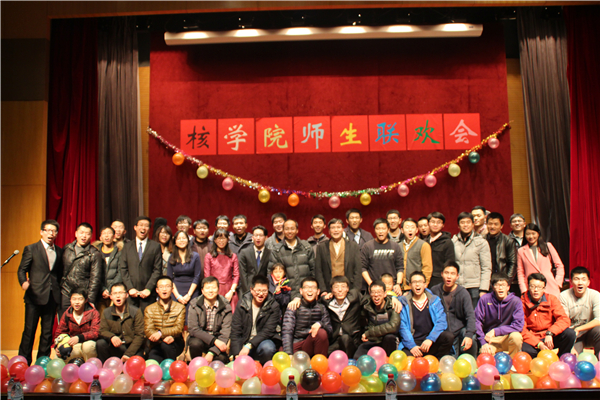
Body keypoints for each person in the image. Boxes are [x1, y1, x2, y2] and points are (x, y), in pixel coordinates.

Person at [17, 219, 64, 365]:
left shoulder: (59, 251)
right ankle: (23, 362)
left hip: (52, 296)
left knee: (47, 332)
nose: (51, 233)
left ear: (56, 234)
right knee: (29, 330)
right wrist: (24, 282)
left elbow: (58, 273)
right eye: (48, 230)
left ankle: (42, 363)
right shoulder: (31, 249)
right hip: (34, 296)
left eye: (54, 231)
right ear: (41, 232)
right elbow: (22, 270)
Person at [399, 272, 454, 359]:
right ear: (410, 285)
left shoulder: (434, 300)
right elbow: (402, 327)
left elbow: (442, 322)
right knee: (406, 359)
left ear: (425, 284)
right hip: (414, 342)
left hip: (430, 341)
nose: (417, 284)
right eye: (414, 282)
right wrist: (412, 346)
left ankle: (438, 362)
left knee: (448, 337)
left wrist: (430, 339)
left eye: (420, 282)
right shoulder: (404, 302)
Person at [521, 273, 575, 359]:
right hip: (533, 337)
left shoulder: (551, 299)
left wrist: (550, 332)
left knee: (570, 334)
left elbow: (564, 319)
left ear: (544, 288)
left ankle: (561, 358)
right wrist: (538, 344)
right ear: (528, 287)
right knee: (526, 350)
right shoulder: (521, 302)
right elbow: (521, 328)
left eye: (539, 287)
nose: (536, 290)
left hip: (550, 336)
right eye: (533, 286)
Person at [230, 275, 281, 364]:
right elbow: (235, 330)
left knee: (268, 348)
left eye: (264, 291)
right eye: (258, 290)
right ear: (251, 289)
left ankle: (264, 368)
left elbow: (268, 331)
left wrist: (249, 345)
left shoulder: (273, 306)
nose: (261, 294)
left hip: (261, 342)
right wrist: (237, 353)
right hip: (244, 341)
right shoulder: (242, 304)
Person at [430, 261, 477, 357]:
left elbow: (470, 316)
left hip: (459, 332)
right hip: (442, 334)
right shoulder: (434, 291)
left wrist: (469, 335)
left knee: (472, 336)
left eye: (452, 274)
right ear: (442, 274)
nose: (449, 277)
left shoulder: (463, 293)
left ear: (457, 276)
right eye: (446, 273)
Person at [120, 216, 163, 312]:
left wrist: (148, 288)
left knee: (148, 319)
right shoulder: (127, 247)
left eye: (146, 226)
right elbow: (123, 269)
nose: (143, 228)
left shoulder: (155, 246)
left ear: (149, 229)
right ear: (135, 227)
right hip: (131, 293)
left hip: (148, 294)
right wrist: (130, 288)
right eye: (141, 225)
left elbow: (157, 270)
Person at [270, 220, 316, 310]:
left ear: (297, 230)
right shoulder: (277, 250)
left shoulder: (306, 247)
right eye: (287, 229)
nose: (289, 231)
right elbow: (272, 275)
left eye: (292, 229)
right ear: (283, 231)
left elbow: (313, 270)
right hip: (285, 297)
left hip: (307, 295)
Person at [475, 272, 524, 357]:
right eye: (497, 285)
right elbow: (476, 321)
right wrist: (483, 342)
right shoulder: (485, 299)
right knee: (485, 357)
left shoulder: (516, 301)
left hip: (507, 338)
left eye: (503, 285)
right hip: (490, 340)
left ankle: (513, 361)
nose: (500, 288)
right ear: (493, 287)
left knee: (517, 337)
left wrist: (495, 331)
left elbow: (518, 326)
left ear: (508, 287)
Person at [282, 277, 332, 357]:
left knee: (321, 333)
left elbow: (329, 330)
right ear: (301, 291)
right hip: (296, 344)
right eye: (306, 287)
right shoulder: (294, 306)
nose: (310, 290)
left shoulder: (322, 308)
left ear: (318, 291)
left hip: (311, 344)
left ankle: (320, 362)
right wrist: (289, 353)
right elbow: (287, 331)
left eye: (313, 287)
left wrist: (320, 324)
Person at [61, 222, 103, 314]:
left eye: (87, 234)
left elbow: (95, 279)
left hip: (83, 295)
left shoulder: (94, 254)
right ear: (76, 233)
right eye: (81, 232)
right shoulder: (67, 249)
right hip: (66, 292)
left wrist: (90, 300)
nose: (84, 236)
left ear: (91, 236)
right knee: (65, 320)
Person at [187, 276, 232, 363]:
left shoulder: (226, 306)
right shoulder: (194, 304)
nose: (210, 291)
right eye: (207, 288)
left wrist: (212, 352)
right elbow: (193, 329)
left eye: (214, 288)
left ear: (218, 289)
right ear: (202, 290)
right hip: (201, 339)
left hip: (218, 340)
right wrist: (214, 341)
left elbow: (225, 333)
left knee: (221, 359)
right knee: (195, 344)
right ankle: (196, 365)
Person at [452, 212, 492, 309]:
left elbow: (486, 268)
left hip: (475, 287)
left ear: (473, 224)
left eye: (468, 222)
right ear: (458, 225)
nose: (465, 225)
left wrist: (483, 289)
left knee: (474, 315)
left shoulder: (481, 242)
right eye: (462, 222)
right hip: (457, 286)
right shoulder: (453, 242)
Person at [97, 282, 145, 362]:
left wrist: (128, 354)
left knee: (137, 360)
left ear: (126, 295)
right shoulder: (106, 312)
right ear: (111, 296)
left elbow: (140, 335)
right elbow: (102, 330)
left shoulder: (136, 311)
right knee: (100, 343)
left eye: (120, 293)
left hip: (131, 347)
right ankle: (105, 367)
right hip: (116, 347)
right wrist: (112, 337)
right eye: (115, 293)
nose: (118, 296)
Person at [315, 218, 362, 296]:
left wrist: (355, 291)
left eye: (338, 227)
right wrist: (323, 290)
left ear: (343, 229)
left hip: (349, 290)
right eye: (333, 228)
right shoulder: (321, 247)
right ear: (329, 231)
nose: (336, 230)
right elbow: (318, 270)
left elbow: (358, 270)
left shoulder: (353, 246)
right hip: (328, 291)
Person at [144, 276, 186, 363]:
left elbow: (179, 328)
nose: (164, 289)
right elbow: (148, 330)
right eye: (161, 287)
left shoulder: (180, 308)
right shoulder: (149, 309)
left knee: (166, 346)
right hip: (156, 344)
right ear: (157, 290)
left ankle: (173, 367)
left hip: (174, 343)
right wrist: (160, 337)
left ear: (172, 289)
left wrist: (161, 333)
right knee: (153, 363)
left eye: (167, 286)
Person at [560, 266, 600, 355]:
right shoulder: (564, 296)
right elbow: (563, 322)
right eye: (576, 279)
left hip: (590, 332)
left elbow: (599, 320)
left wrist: (579, 328)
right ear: (571, 282)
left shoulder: (595, 295)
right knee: (574, 358)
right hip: (573, 335)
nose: (580, 282)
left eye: (583, 279)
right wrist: (570, 344)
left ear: (588, 282)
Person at [355, 280, 401, 358]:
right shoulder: (366, 305)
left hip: (387, 341)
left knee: (389, 338)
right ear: (370, 294)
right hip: (372, 340)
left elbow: (393, 326)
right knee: (358, 357)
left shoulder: (392, 305)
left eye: (379, 292)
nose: (376, 295)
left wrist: (369, 333)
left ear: (385, 294)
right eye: (373, 292)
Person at [517, 223, 564, 298]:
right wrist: (523, 290)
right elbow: (520, 272)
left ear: (538, 233)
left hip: (550, 285)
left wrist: (557, 283)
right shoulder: (521, 251)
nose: (531, 236)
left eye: (533, 233)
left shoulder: (548, 246)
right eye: (528, 234)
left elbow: (559, 265)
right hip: (531, 288)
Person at [55, 287, 100, 362]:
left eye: (80, 299)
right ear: (70, 300)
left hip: (89, 344)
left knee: (88, 346)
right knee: (57, 358)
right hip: (73, 346)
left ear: (85, 300)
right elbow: (59, 333)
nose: (77, 302)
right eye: (74, 299)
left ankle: (89, 366)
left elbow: (96, 332)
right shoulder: (67, 314)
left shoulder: (93, 313)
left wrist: (79, 337)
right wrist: (58, 346)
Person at [321, 276, 362, 357]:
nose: (340, 290)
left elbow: (368, 301)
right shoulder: (326, 302)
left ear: (348, 289)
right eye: (336, 287)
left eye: (343, 286)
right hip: (334, 340)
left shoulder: (355, 297)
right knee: (326, 357)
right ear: (331, 290)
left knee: (345, 338)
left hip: (351, 339)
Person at [361, 218, 403, 294]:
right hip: (374, 288)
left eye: (383, 229)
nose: (381, 231)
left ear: (388, 230)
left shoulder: (395, 246)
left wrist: (398, 284)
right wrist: (371, 284)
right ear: (374, 230)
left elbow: (400, 267)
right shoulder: (367, 246)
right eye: (378, 229)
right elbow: (363, 268)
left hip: (391, 288)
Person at [167, 231, 202, 321]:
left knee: (191, 319)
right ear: (175, 241)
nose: (181, 240)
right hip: (176, 290)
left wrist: (189, 295)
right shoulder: (171, 257)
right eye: (179, 238)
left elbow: (197, 276)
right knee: (177, 319)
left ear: (188, 240)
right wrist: (178, 296)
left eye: (183, 238)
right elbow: (169, 278)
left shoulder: (195, 256)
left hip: (192, 290)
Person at [204, 228, 240, 311]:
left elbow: (236, 275)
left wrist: (231, 291)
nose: (221, 241)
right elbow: (207, 276)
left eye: (223, 238)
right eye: (219, 238)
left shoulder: (233, 256)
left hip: (229, 289)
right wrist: (212, 291)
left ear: (227, 239)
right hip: (213, 289)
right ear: (215, 240)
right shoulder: (209, 256)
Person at [485, 212, 518, 296]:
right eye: (490, 224)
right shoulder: (481, 240)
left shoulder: (508, 241)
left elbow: (513, 263)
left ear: (501, 226)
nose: (492, 227)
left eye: (496, 224)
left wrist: (506, 281)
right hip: (486, 281)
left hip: (501, 280)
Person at [94, 226, 122, 315]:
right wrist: (102, 289)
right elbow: (94, 274)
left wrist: (110, 290)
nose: (106, 236)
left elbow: (121, 272)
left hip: (115, 291)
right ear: (100, 237)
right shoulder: (95, 252)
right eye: (104, 234)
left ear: (114, 236)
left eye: (109, 233)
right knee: (101, 318)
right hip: (99, 292)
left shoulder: (120, 251)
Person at [399, 218, 432, 290]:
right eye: (407, 227)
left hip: (416, 287)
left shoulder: (423, 245)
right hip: (400, 288)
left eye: (412, 227)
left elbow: (427, 267)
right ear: (402, 230)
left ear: (416, 230)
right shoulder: (398, 246)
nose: (410, 230)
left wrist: (424, 284)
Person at [238, 225, 271, 295]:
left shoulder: (270, 253)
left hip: (263, 291)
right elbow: (243, 274)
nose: (258, 238)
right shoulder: (244, 252)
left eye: (260, 235)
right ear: (252, 237)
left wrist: (265, 290)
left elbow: (269, 274)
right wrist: (248, 292)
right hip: (246, 290)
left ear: (266, 238)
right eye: (256, 235)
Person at [426, 212, 455, 288]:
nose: (435, 225)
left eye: (438, 222)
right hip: (425, 279)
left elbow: (450, 263)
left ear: (443, 225)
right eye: (433, 222)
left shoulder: (447, 242)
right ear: (428, 223)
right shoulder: (424, 242)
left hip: (440, 281)